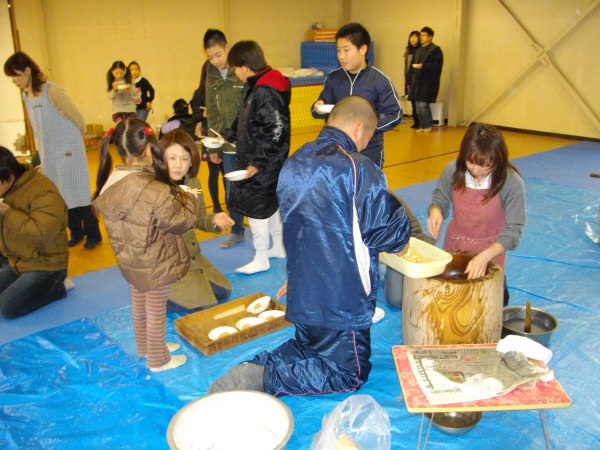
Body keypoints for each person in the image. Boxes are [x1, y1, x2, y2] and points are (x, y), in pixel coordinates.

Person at [208, 96, 411, 396]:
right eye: (368, 136)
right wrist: (401, 225)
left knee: (308, 347)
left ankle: (256, 366)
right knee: (348, 374)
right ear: (359, 128)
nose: (365, 144)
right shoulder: (357, 168)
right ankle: (265, 378)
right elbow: (391, 236)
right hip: (342, 300)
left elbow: (302, 228)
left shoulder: (296, 160)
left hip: (303, 291)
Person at [93, 118, 196, 372]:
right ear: (149, 149)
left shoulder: (113, 179)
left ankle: (146, 347)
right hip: (156, 261)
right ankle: (158, 359)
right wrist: (188, 198)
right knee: (155, 309)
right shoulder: (154, 188)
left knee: (139, 304)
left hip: (130, 259)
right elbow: (180, 222)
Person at [4, 52, 102, 249]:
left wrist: (75, 140)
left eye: (16, 75)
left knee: (79, 191)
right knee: (60, 194)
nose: (14, 81)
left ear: (27, 71)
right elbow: (36, 128)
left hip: (69, 147)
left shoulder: (51, 90)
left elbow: (76, 116)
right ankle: (76, 232)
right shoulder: (26, 96)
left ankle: (93, 233)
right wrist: (41, 155)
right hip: (49, 151)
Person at [427, 123, 526, 305]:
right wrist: (436, 211)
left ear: (498, 160)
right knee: (451, 300)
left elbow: (514, 230)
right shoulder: (453, 169)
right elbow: (440, 198)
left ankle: (499, 286)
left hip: (490, 250)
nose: (476, 171)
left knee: (486, 303)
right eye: (471, 162)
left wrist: (485, 256)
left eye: (485, 166)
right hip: (455, 245)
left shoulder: (510, 181)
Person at [220, 40, 291, 274]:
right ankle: (278, 247)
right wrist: (227, 135)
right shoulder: (254, 85)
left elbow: (275, 131)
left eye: (235, 68)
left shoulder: (265, 90)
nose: (235, 73)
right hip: (262, 159)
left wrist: (257, 163)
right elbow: (246, 119)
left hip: (264, 161)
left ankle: (261, 257)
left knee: (257, 207)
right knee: (270, 205)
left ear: (245, 66)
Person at [159, 129, 235, 312]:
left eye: (185, 159)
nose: (178, 165)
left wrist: (214, 219)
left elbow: (200, 218)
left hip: (192, 256)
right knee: (207, 306)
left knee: (224, 291)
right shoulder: (154, 188)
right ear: (161, 158)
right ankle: (159, 295)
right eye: (172, 158)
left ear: (192, 161)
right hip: (167, 265)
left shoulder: (192, 183)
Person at [312, 23, 402, 168]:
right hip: (338, 150)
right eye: (338, 50)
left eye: (346, 50)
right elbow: (318, 108)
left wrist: (367, 129)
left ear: (363, 49)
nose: (341, 56)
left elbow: (395, 114)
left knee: (367, 182)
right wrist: (318, 107)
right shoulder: (333, 78)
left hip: (369, 152)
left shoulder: (379, 80)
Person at [0, 146, 68, 319]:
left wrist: (8, 213)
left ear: (8, 175)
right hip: (19, 261)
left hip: (46, 265)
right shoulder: (9, 188)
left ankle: (56, 288)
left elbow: (44, 231)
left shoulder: (42, 191)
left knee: (7, 308)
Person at [204, 29, 246, 245]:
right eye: (210, 57)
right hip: (226, 144)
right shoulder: (210, 72)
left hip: (248, 142)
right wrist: (213, 148)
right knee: (231, 191)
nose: (215, 61)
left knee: (256, 188)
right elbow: (212, 110)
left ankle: (267, 229)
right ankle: (237, 231)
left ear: (227, 47)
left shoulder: (241, 67)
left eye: (218, 54)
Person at [190, 59, 224, 212]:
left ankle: (229, 201)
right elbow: (194, 117)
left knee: (226, 171)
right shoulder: (199, 93)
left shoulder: (222, 89)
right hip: (209, 136)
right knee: (214, 172)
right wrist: (204, 114)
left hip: (223, 135)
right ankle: (216, 206)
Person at [407, 27, 443, 132]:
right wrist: (409, 81)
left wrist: (423, 66)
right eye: (421, 35)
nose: (421, 37)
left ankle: (428, 125)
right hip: (416, 81)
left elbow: (437, 65)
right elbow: (411, 67)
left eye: (424, 35)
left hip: (428, 82)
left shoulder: (435, 50)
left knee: (423, 104)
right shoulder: (418, 50)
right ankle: (421, 125)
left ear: (430, 37)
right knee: (417, 105)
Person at [403, 30, 421, 129]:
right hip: (409, 78)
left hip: (417, 79)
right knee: (413, 102)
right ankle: (416, 122)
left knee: (418, 102)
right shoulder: (408, 51)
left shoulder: (420, 50)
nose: (413, 39)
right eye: (411, 37)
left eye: (415, 37)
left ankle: (420, 122)